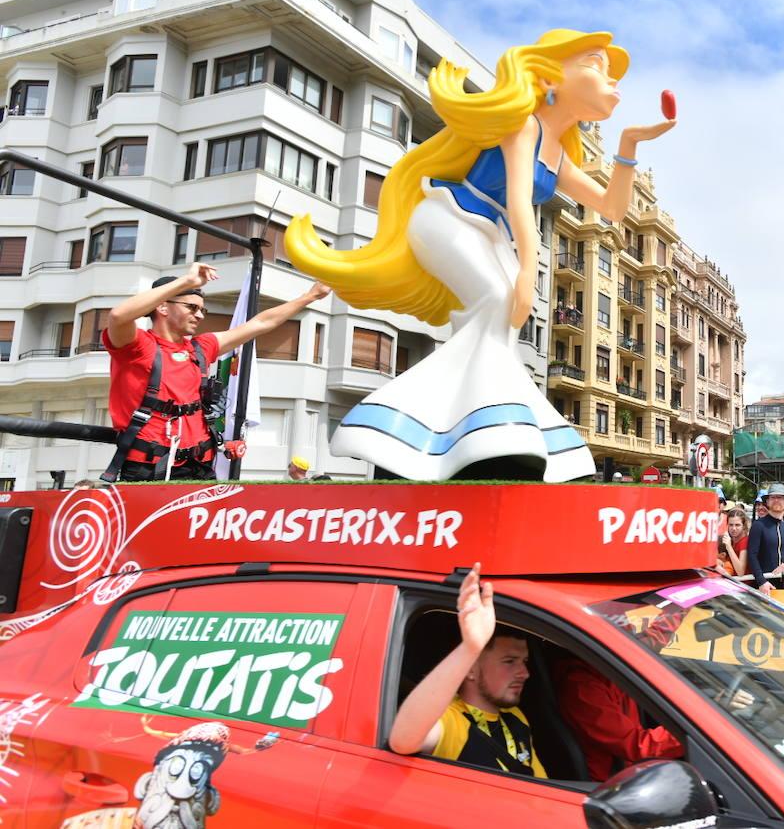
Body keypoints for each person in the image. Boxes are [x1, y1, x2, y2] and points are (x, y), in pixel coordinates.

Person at [287, 31, 672, 483]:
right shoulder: (523, 125)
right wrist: (528, 268)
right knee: (495, 298)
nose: (612, 84)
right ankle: (424, 426)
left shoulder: (557, 151)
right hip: (450, 217)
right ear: (550, 74)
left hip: (490, 232)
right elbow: (517, 200)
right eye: (595, 65)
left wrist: (628, 146)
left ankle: (465, 432)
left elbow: (611, 208)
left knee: (501, 324)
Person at [102, 263, 330, 482]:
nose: (200, 316)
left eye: (202, 309)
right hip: (149, 467)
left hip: (201, 466)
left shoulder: (200, 347)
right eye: (192, 307)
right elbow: (118, 316)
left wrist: (310, 296)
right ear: (162, 307)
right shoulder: (137, 346)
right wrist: (187, 281)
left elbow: (260, 324)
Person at [389, 565, 545, 777]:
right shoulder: (452, 721)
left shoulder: (515, 717)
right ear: (470, 669)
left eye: (524, 661)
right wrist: (470, 648)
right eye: (510, 661)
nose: (525, 673)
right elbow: (402, 740)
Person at [555, 656, 683, 782]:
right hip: (607, 787)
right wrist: (684, 735)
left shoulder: (612, 672)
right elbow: (637, 745)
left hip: (629, 773)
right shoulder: (583, 688)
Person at [747, 483, 784, 593]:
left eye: (780, 497)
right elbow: (752, 555)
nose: (776, 500)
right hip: (764, 587)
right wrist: (761, 581)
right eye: (773, 497)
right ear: (767, 502)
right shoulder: (758, 525)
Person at [717, 507, 749, 576]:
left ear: (743, 526)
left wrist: (728, 546)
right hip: (730, 580)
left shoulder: (745, 541)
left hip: (742, 584)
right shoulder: (731, 540)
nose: (734, 528)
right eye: (731, 525)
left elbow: (740, 572)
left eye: (737, 525)